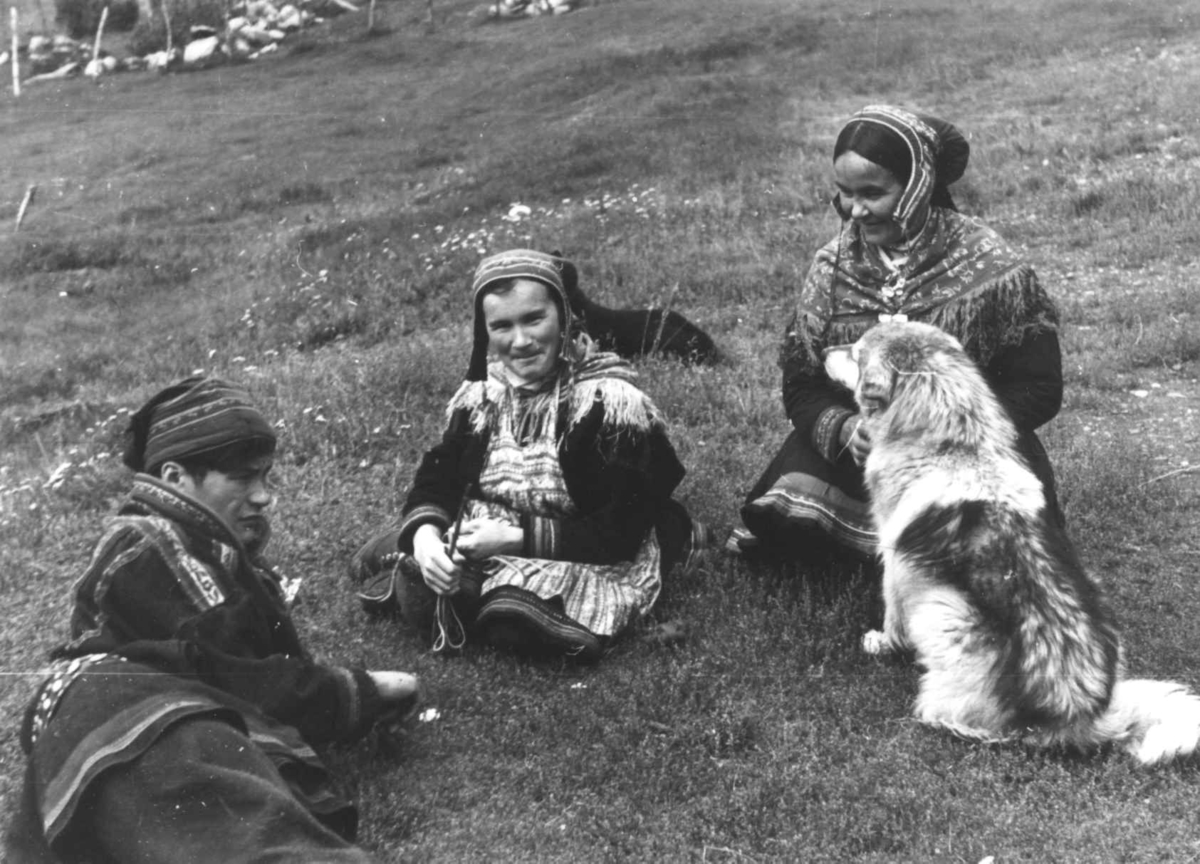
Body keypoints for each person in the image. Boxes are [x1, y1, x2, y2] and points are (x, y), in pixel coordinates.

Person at [5, 376, 421, 864]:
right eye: (243, 478)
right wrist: (361, 690)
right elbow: (236, 675)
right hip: (128, 713)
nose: (264, 496)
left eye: (265, 477)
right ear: (175, 477)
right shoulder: (148, 548)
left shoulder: (207, 551)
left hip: (165, 719)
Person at [731, 105, 1063, 561]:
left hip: (964, 447)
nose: (856, 210)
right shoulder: (831, 270)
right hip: (863, 454)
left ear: (917, 187)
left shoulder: (990, 269)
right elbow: (802, 385)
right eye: (845, 193)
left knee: (999, 552)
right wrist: (846, 428)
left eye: (873, 193)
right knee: (790, 522)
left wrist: (943, 430)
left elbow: (1040, 387)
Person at [351, 249, 706, 660]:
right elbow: (441, 475)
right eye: (502, 326)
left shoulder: (607, 403)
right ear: (484, 331)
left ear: (564, 317)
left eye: (534, 319)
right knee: (428, 550)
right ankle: (435, 574)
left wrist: (517, 539)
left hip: (586, 548)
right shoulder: (482, 395)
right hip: (495, 527)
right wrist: (428, 537)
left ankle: (475, 599)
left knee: (514, 621)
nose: (520, 342)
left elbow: (619, 531)